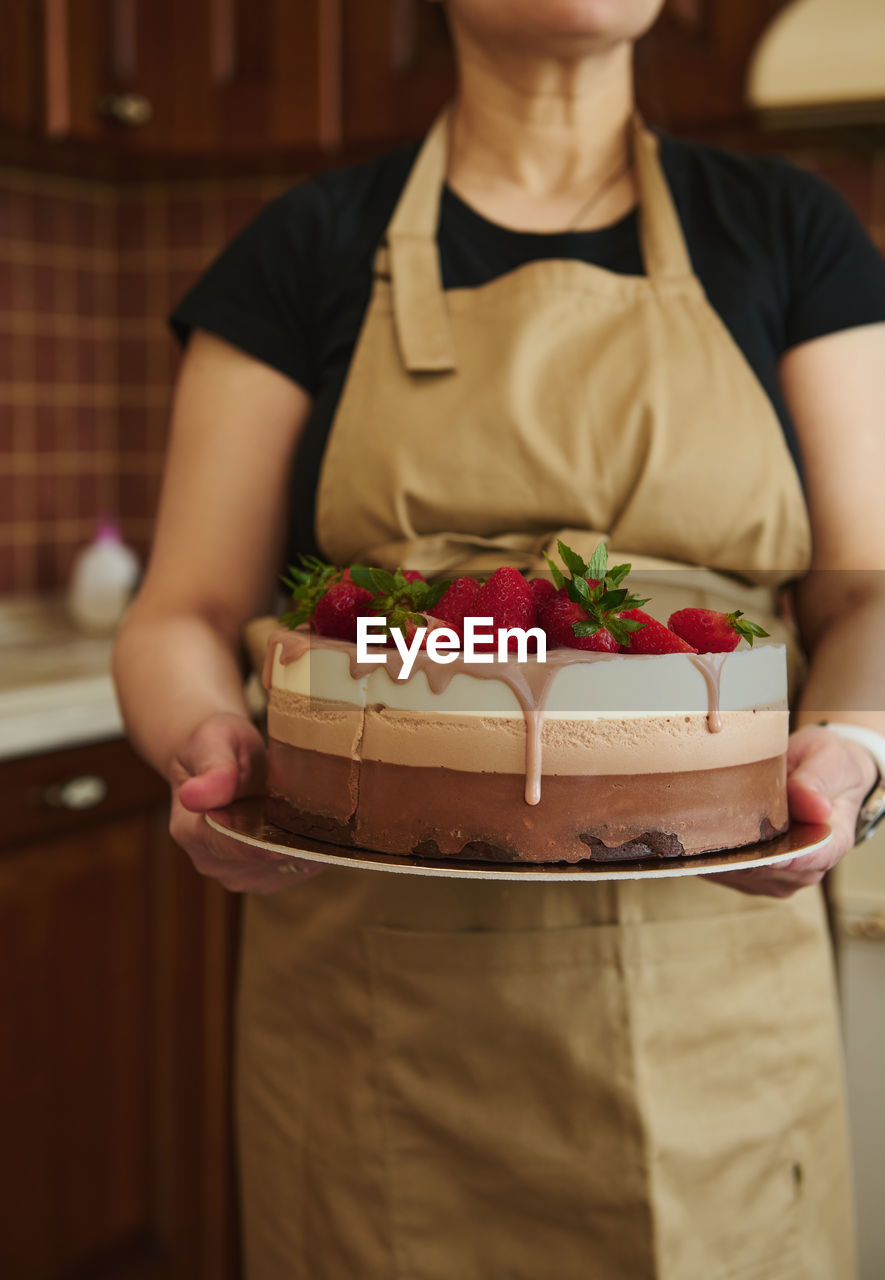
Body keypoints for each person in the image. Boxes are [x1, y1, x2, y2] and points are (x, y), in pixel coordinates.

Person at [113, 1, 885, 1275]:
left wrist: (850, 753)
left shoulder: (791, 229)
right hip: (371, 996)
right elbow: (183, 612)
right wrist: (203, 741)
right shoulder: (305, 246)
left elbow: (869, 595)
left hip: (719, 979)